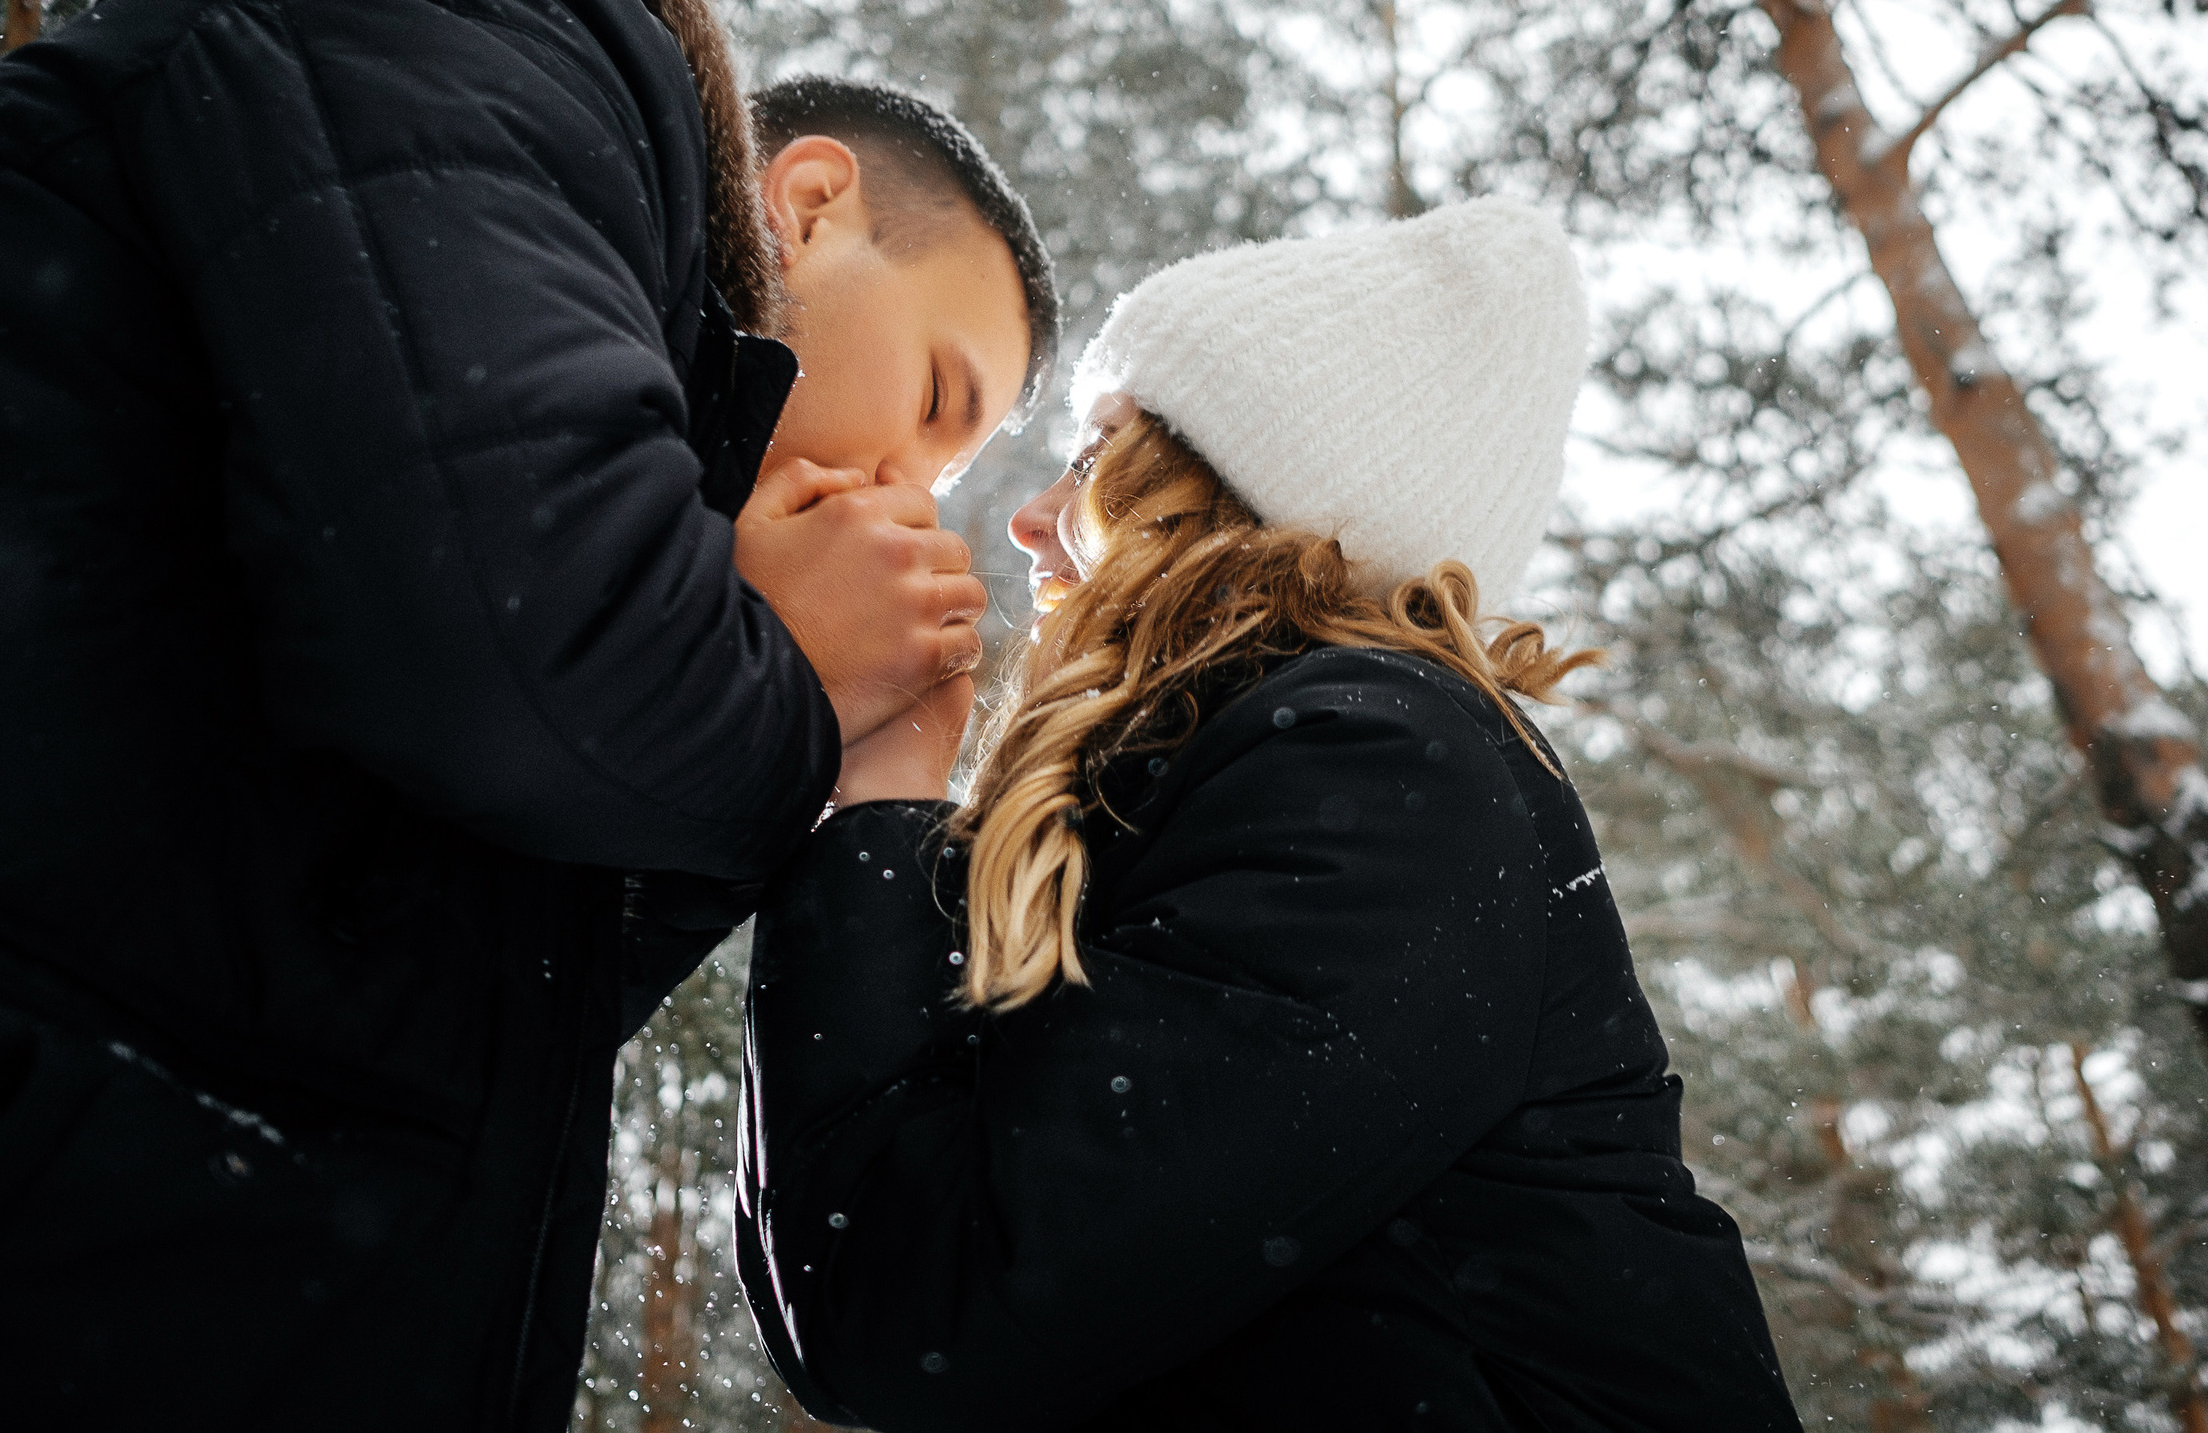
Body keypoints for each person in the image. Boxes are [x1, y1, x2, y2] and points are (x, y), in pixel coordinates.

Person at [0, 0, 1053, 1427]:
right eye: (939, 401)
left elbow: (499, 992)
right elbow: (520, 676)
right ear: (804, 203)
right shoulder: (520, 19)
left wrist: (834, 754)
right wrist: (784, 673)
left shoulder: (645, 533)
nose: (907, 492)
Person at [734, 197, 1804, 1431]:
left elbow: (914, 1309)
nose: (1028, 520)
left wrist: (878, 804)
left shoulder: (1381, 772)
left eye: (1096, 459)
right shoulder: (1230, 788)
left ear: (1222, 503)